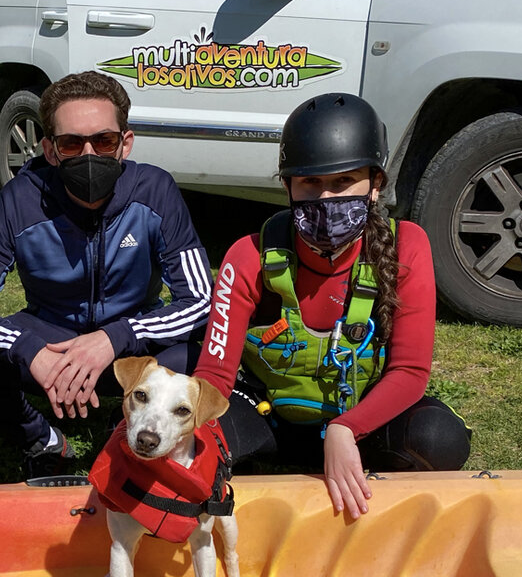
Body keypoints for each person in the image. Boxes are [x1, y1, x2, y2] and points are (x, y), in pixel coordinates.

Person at [195, 93, 470, 519]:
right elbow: (214, 375)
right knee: (191, 442)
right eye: (309, 182)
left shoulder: (407, 247)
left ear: (375, 185)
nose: (325, 199)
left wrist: (345, 429)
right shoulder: (248, 255)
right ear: (286, 185)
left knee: (438, 438)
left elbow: (410, 371)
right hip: (268, 418)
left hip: (358, 423)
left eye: (343, 183)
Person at [0, 71, 213, 477]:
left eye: (103, 141)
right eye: (71, 143)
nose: (88, 155)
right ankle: (45, 442)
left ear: (125, 143)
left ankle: (129, 427)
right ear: (49, 150)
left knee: (198, 357)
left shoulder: (155, 189)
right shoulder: (20, 198)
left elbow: (202, 301)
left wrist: (116, 337)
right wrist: (30, 350)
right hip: (51, 336)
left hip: (133, 339)